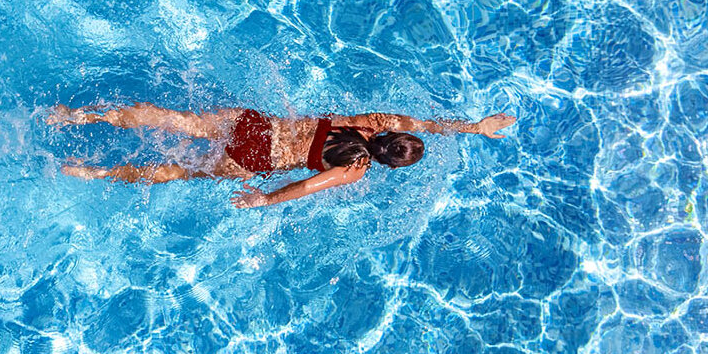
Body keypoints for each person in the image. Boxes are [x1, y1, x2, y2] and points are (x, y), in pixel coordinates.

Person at [48, 103, 517, 208]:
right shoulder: (354, 169)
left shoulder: (373, 120)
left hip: (254, 126)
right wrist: (263, 201)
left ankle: (81, 118)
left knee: (169, 120)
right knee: (175, 171)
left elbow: (423, 125)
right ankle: (97, 172)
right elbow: (304, 187)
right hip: (251, 162)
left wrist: (473, 128)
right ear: (390, 165)